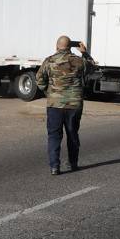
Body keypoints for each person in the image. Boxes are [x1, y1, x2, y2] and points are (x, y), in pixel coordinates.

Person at [35, 35, 89, 175]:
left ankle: (54, 166)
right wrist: (84, 52)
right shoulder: (79, 61)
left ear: (56, 46)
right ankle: (73, 163)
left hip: (55, 105)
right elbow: (92, 67)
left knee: (54, 135)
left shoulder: (49, 61)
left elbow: (39, 80)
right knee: (72, 134)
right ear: (70, 47)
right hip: (74, 104)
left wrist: (50, 92)